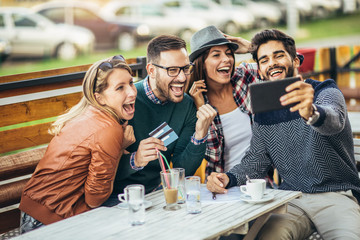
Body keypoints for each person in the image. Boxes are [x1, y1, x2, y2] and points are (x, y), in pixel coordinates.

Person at [207, 29, 360, 239]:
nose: (272, 63)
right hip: (290, 200)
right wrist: (228, 178)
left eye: (278, 55)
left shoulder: (325, 91)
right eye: (264, 60)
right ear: (259, 70)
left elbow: (333, 121)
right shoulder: (264, 111)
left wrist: (311, 112)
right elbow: (257, 162)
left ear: (296, 61)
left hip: (336, 196)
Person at [19, 55, 137, 233]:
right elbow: (95, 199)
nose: (132, 92)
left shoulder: (89, 113)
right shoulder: (109, 129)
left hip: (35, 213)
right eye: (120, 88)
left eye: (131, 83)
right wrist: (120, 147)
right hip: (49, 222)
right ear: (100, 98)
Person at [106, 35, 217, 203]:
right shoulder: (126, 100)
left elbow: (182, 170)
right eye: (172, 70)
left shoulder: (186, 105)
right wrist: (135, 159)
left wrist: (200, 135)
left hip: (158, 196)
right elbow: (103, 170)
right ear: (151, 70)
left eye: (185, 68)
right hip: (119, 199)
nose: (182, 78)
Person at [188, 25, 257, 176]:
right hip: (221, 186)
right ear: (202, 63)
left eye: (228, 53)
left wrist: (253, 48)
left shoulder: (244, 76)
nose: (226, 59)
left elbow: (288, 62)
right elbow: (214, 155)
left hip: (260, 181)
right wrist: (201, 108)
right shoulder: (193, 103)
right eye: (216, 55)